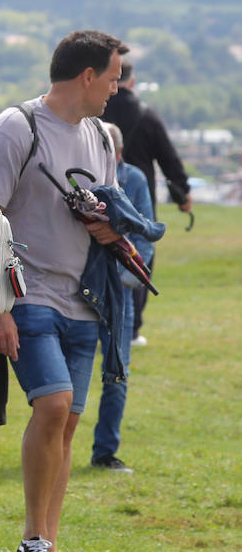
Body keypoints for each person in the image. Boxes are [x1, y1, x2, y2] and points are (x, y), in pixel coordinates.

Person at [0, 28, 128, 552]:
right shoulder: (17, 126)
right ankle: (33, 543)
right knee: (55, 406)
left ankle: (49, 549)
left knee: (68, 424)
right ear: (87, 75)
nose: (116, 87)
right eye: (112, 77)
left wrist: (113, 228)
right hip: (27, 295)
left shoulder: (103, 138)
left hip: (84, 302)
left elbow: (109, 209)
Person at [101, 62, 192, 347]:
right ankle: (132, 327)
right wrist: (183, 194)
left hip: (101, 190)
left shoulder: (96, 110)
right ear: (133, 81)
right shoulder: (147, 115)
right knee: (138, 255)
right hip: (140, 194)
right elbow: (168, 158)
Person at [89, 122, 161, 473]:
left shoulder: (134, 180)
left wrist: (125, 280)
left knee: (116, 374)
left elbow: (145, 236)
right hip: (83, 293)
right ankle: (56, 450)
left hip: (119, 293)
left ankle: (105, 453)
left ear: (117, 154)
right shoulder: (83, 177)